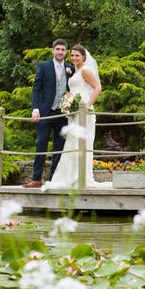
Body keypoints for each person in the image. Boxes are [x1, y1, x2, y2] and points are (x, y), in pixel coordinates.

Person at [42, 44, 102, 190]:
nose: (74, 58)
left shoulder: (86, 70)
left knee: (82, 142)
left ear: (83, 57)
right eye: (73, 55)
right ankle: (71, 176)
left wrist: (87, 105)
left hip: (83, 112)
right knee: (72, 143)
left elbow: (97, 88)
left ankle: (82, 177)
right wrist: (69, 98)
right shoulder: (75, 71)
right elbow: (77, 88)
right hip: (74, 112)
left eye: (77, 55)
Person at [23, 39, 75, 188]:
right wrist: (35, 108)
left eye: (62, 50)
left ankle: (53, 179)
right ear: (53, 50)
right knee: (41, 144)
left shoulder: (70, 68)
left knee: (59, 146)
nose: (60, 52)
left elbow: (73, 90)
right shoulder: (44, 66)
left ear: (66, 52)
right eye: (57, 49)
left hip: (62, 113)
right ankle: (37, 179)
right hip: (45, 112)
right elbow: (36, 89)